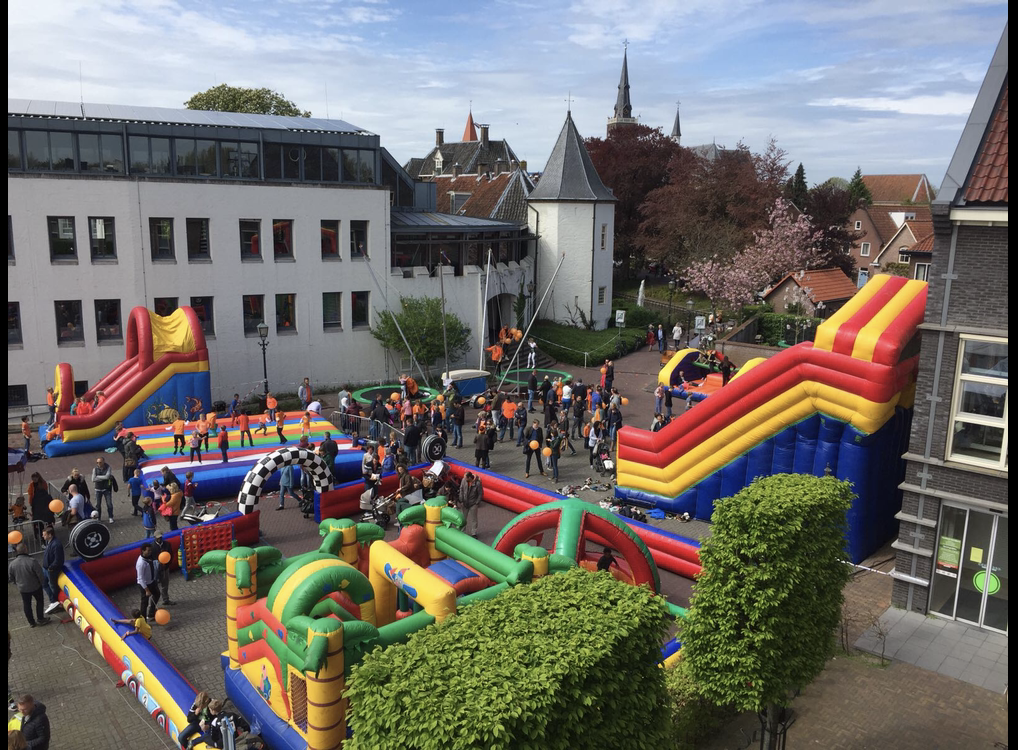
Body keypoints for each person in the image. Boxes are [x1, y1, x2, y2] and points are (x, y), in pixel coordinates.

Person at [9, 545, 50, 628]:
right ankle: (40, 619)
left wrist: (17, 583)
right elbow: (40, 574)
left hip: (23, 589)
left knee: (27, 604)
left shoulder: (12, 564)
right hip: (35, 586)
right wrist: (41, 582)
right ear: (26, 550)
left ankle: (31, 622)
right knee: (39, 602)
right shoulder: (32, 561)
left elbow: (11, 577)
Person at [41, 526, 63, 613]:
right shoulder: (50, 542)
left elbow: (58, 559)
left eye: (44, 535)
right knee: (44, 584)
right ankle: (53, 601)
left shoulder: (56, 544)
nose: (43, 536)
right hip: (46, 568)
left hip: (51, 570)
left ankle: (55, 602)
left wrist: (51, 567)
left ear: (50, 535)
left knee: (53, 586)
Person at [136, 543, 160, 620]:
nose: (150, 552)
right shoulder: (141, 563)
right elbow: (140, 578)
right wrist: (147, 590)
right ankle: (143, 620)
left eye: (150, 550)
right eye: (148, 550)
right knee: (144, 603)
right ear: (143, 551)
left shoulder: (149, 557)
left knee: (157, 594)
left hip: (151, 581)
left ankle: (151, 613)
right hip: (145, 585)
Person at [91, 456, 119, 524]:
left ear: (103, 462)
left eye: (100, 462)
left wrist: (97, 477)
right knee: (98, 505)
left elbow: (107, 476)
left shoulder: (108, 468)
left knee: (109, 504)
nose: (98, 464)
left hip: (106, 489)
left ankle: (110, 517)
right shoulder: (95, 469)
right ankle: (98, 518)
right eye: (97, 462)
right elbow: (93, 479)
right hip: (98, 489)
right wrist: (103, 478)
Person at [153, 531, 175, 605]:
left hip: (165, 569)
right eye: (158, 538)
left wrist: (167, 564)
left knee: (165, 585)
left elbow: (171, 555)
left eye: (160, 537)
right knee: (154, 586)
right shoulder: (152, 547)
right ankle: (153, 603)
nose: (159, 539)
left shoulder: (167, 544)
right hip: (156, 570)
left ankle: (165, 599)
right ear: (154, 538)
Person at [459, 471, 483, 537]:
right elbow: (461, 489)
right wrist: (461, 499)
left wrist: (477, 502)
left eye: (466, 478)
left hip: (473, 503)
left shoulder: (477, 483)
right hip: (465, 502)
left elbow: (480, 493)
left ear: (469, 477)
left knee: (474, 519)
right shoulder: (464, 481)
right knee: (463, 518)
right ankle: (462, 531)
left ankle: (474, 533)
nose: (464, 479)